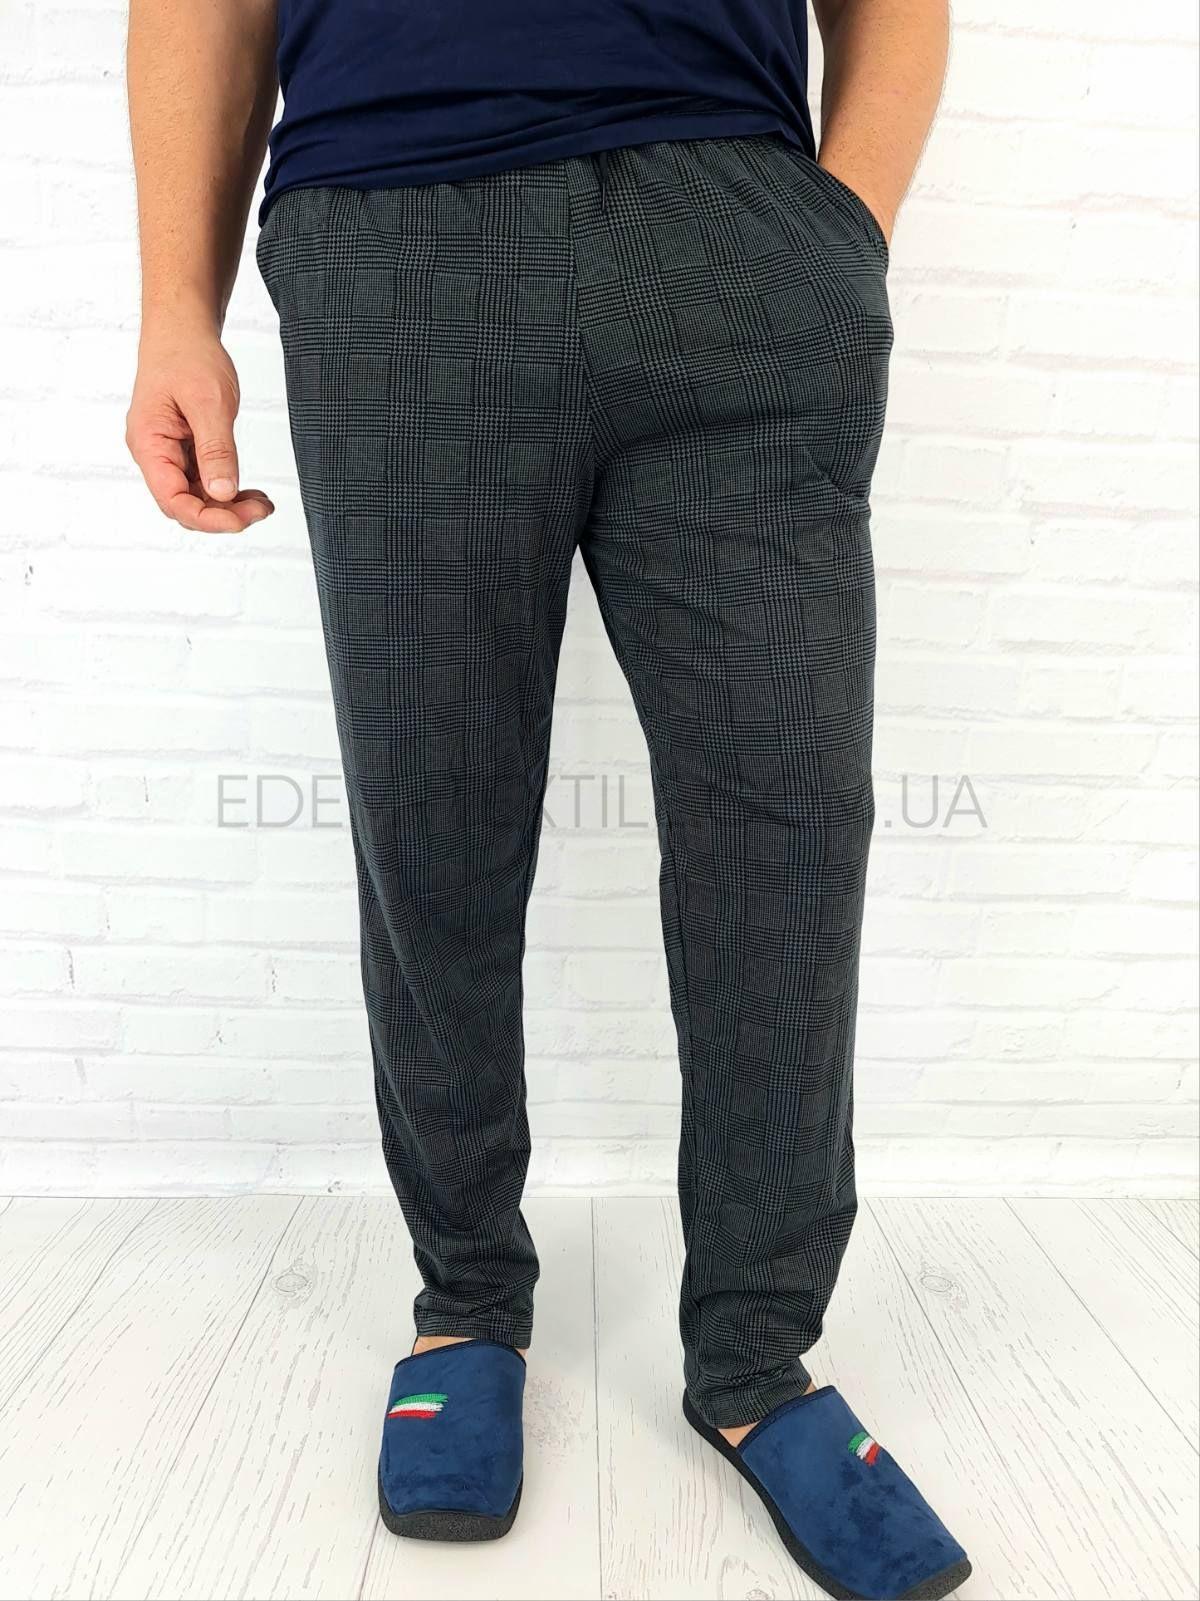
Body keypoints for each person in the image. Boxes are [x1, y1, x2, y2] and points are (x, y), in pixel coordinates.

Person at [126, 1, 968, 1595]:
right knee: (430, 815)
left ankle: (758, 1355)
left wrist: (839, 236)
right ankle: (466, 1303)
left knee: (788, 823)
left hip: (736, 236)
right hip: (391, 231)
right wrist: (179, 303)